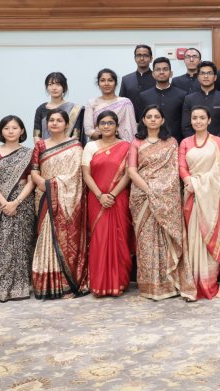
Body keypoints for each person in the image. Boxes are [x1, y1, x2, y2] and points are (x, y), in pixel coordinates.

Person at [128, 105, 193, 301]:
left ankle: (170, 284)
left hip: (167, 197)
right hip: (143, 197)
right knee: (146, 242)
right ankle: (150, 286)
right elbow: (131, 171)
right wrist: (149, 190)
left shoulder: (172, 142)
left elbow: (174, 172)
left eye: (157, 116)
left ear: (163, 120)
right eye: (149, 116)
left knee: (166, 240)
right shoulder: (137, 142)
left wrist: (159, 191)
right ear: (144, 120)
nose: (153, 119)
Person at [30, 108, 88, 299]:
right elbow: (34, 170)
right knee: (44, 237)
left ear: (66, 124)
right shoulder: (40, 145)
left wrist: (51, 184)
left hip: (67, 200)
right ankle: (47, 285)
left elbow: (75, 176)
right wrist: (41, 182)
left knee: (66, 239)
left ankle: (67, 286)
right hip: (44, 197)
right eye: (51, 120)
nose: (54, 123)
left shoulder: (75, 146)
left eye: (59, 120)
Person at [180, 106, 220, 300]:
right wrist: (189, 180)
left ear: (209, 120)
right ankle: (193, 284)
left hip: (213, 198)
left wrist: (197, 183)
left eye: (202, 118)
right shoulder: (185, 142)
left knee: (211, 235)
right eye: (194, 118)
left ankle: (211, 283)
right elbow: (181, 166)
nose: (198, 121)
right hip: (191, 196)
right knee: (194, 237)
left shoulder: (218, 142)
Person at [0, 115, 35, 302]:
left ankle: (21, 287)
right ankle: (1, 288)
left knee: (21, 245)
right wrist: (4, 203)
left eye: (14, 128)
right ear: (1, 131)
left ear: (22, 131)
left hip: (23, 204)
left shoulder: (29, 153)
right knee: (2, 246)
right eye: (6, 128)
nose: (10, 131)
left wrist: (16, 202)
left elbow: (31, 181)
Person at [82, 110, 134, 297]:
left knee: (121, 239)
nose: (106, 126)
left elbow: (129, 173)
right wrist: (100, 195)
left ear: (117, 126)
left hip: (118, 198)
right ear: (97, 126)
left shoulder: (126, 146)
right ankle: (100, 284)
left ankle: (119, 282)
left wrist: (111, 194)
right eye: (102, 123)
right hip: (97, 200)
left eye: (110, 123)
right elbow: (86, 174)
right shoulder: (90, 147)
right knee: (99, 240)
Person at [139, 57, 188, 142]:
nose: (161, 72)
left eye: (165, 69)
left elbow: (185, 122)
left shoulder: (182, 95)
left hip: (176, 141)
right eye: (158, 69)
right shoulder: (144, 96)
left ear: (171, 73)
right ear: (153, 74)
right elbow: (141, 121)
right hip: (151, 141)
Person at [181, 61, 220, 138]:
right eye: (202, 73)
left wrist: (215, 141)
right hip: (194, 145)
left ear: (215, 77)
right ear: (198, 77)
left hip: (218, 143)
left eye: (209, 73)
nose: (206, 76)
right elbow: (186, 127)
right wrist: (196, 142)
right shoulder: (189, 99)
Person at [83, 68, 138, 143]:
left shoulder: (125, 102)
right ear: (98, 83)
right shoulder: (92, 103)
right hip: (99, 145)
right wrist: (105, 138)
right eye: (102, 80)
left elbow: (132, 127)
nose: (106, 83)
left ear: (115, 83)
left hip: (122, 145)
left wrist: (115, 141)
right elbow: (88, 129)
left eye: (110, 80)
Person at [33, 72, 84, 144]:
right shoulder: (41, 109)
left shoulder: (74, 109)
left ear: (64, 87)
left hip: (68, 151)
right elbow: (36, 135)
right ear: (47, 88)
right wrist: (44, 150)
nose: (54, 88)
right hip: (45, 151)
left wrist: (61, 150)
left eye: (58, 84)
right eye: (50, 84)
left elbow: (76, 136)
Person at [120, 44, 155, 122]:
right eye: (138, 55)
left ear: (151, 58)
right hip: (131, 122)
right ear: (135, 58)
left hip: (153, 121)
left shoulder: (157, 78)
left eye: (145, 55)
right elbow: (122, 103)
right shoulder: (126, 79)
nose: (142, 58)